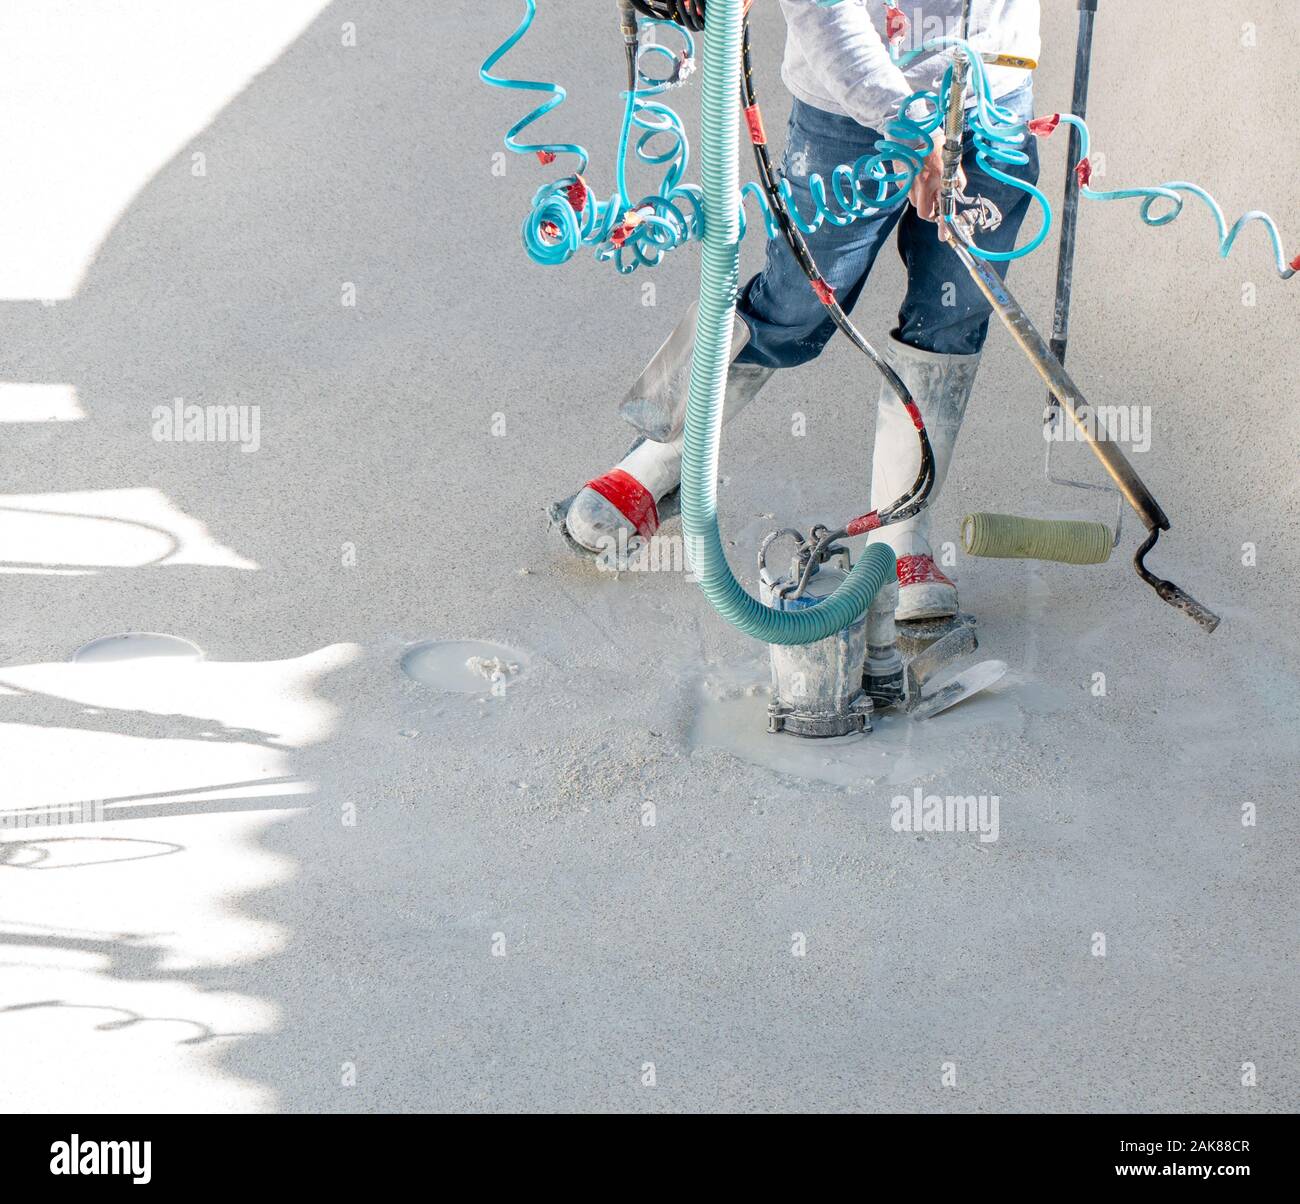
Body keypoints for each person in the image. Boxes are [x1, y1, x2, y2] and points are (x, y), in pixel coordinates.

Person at [564, 0, 1042, 621]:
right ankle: (657, 454)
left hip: (994, 100)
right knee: (797, 302)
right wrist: (908, 125)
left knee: (952, 314)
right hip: (848, 100)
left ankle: (899, 535)